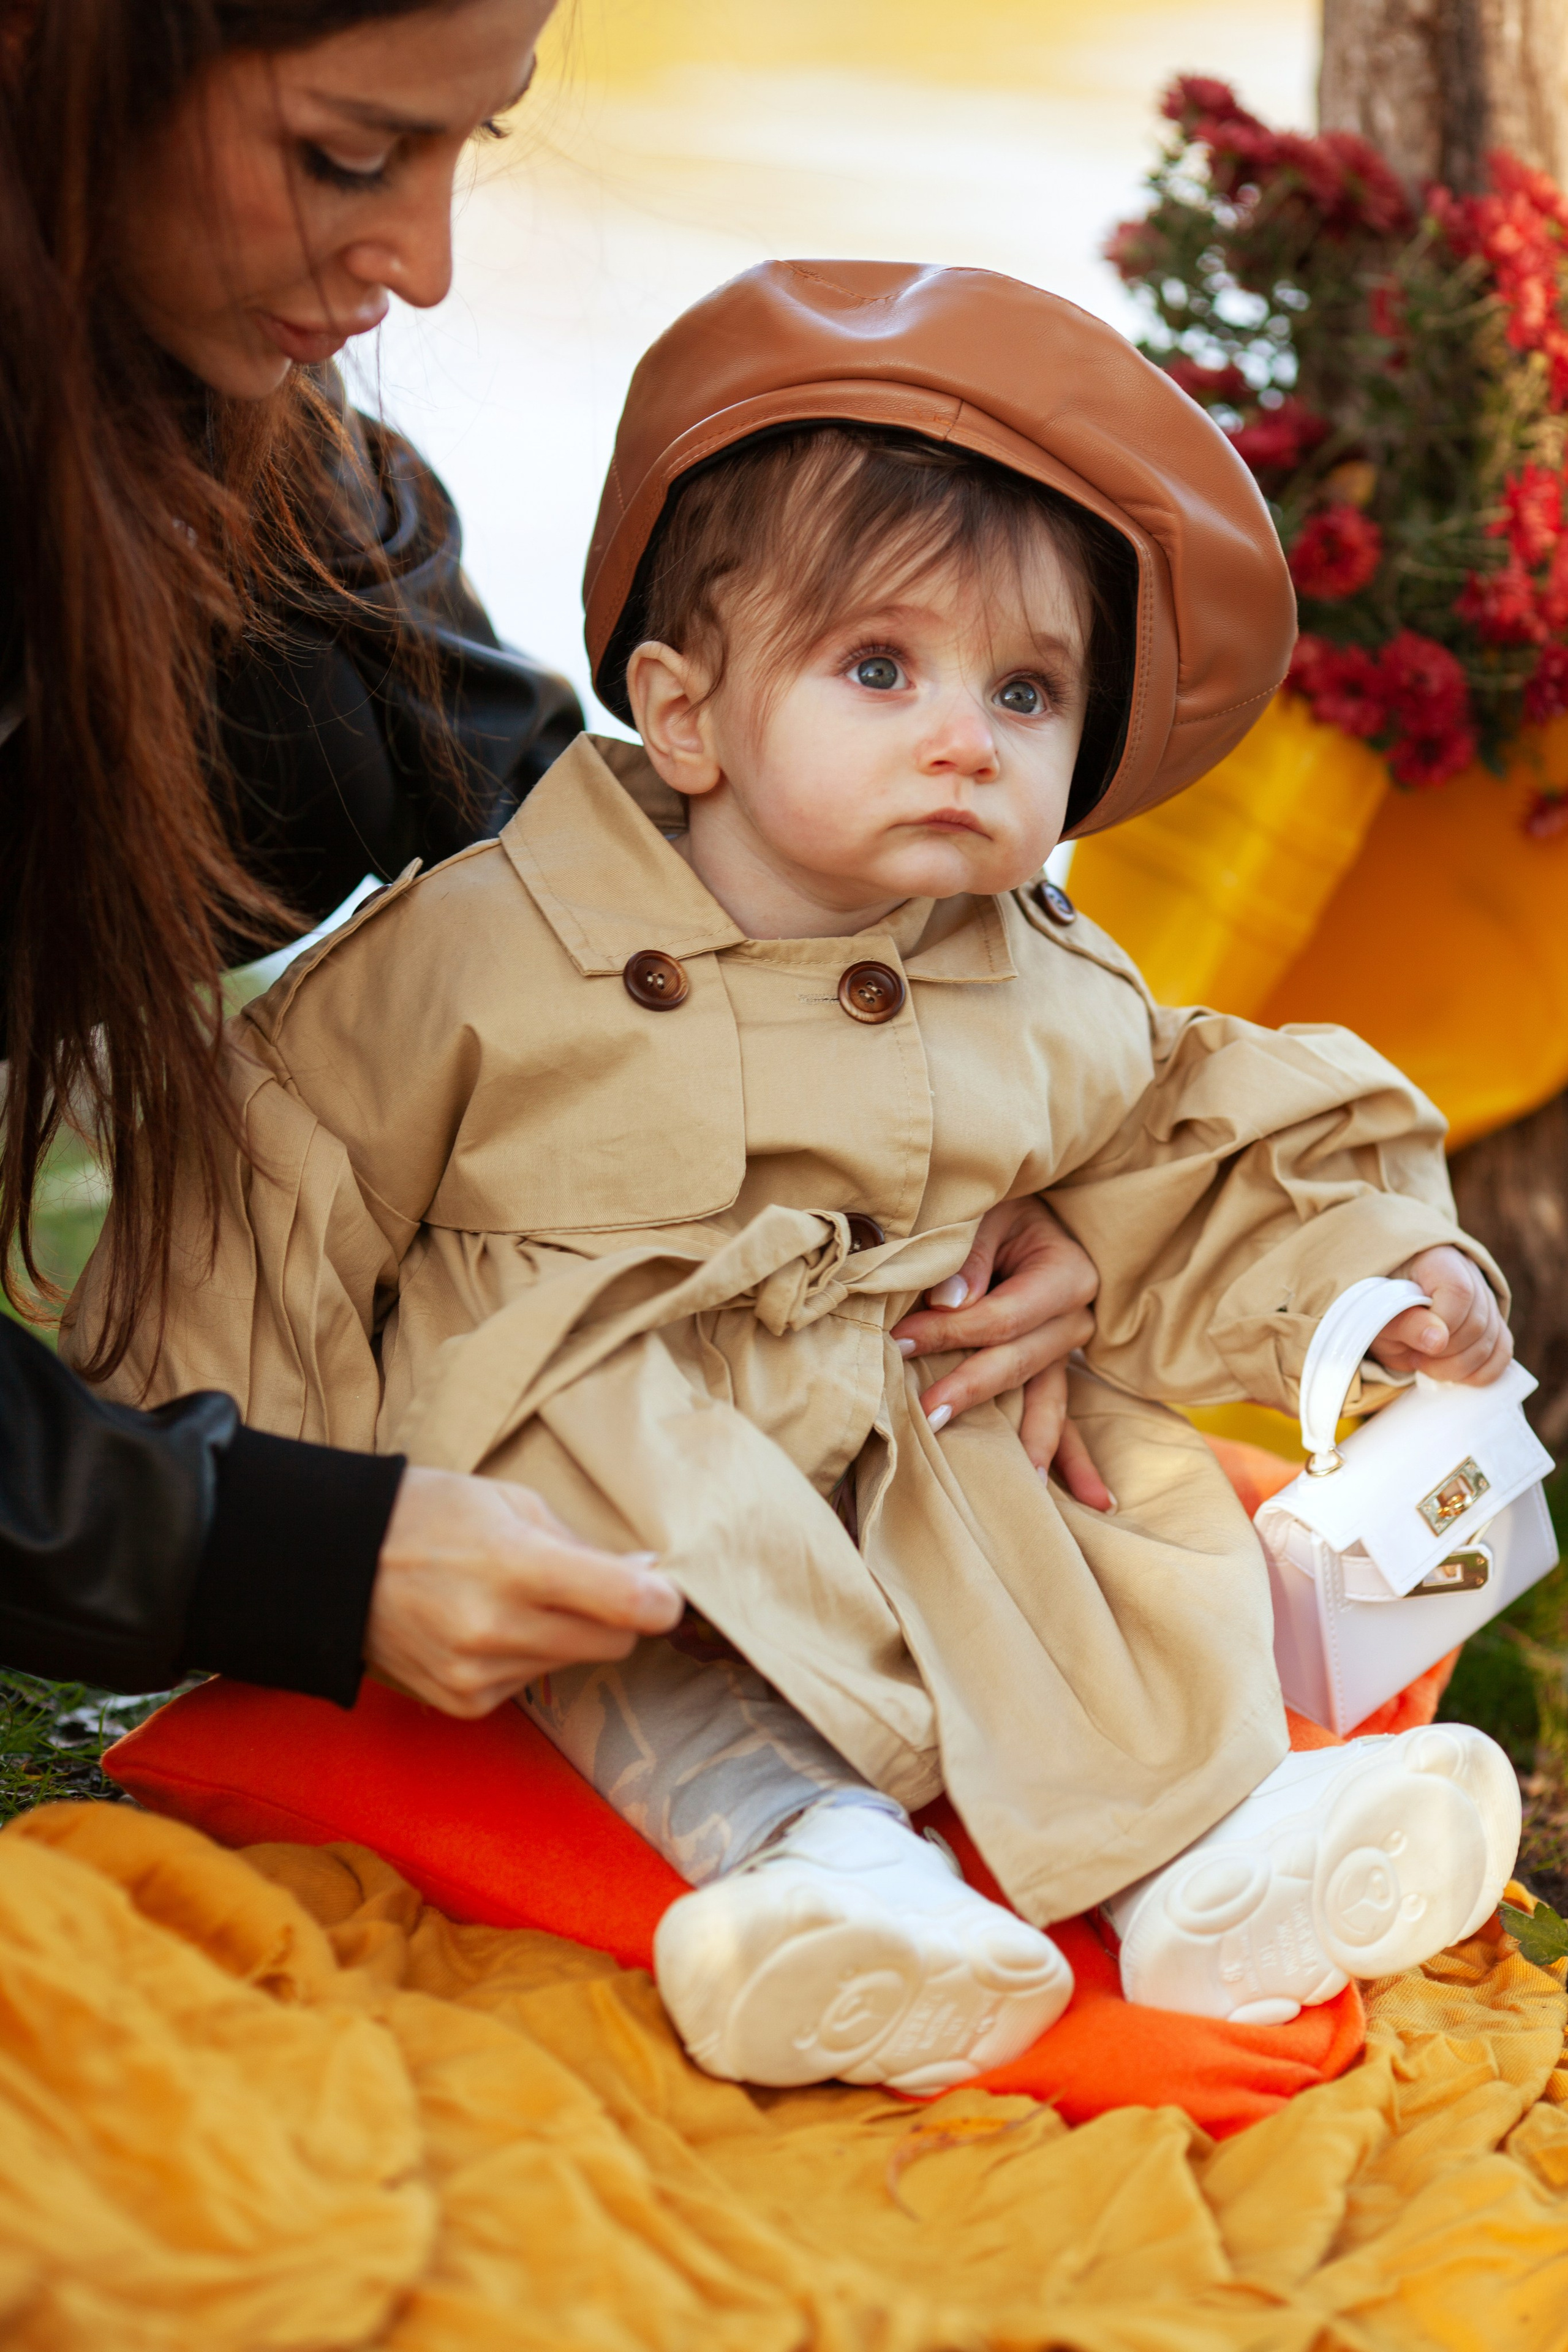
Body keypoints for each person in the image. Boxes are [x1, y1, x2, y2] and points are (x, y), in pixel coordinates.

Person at [69, 258, 1524, 2091]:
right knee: (641, 1607)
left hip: (925, 1430)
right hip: (624, 1453)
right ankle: (817, 1875)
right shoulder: (491, 945)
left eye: (1025, 691)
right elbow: (284, 1174)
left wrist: (1376, 1279)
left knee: (1109, 1537)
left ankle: (1212, 1861)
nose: (961, 736)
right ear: (686, 718)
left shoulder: (1043, 969)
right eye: (879, 668)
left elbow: (1191, 1137)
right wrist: (264, 1493)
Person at [0, 1, 1097, 1713]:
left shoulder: (254, 459)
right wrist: (266, 1545)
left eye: (472, 142)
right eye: (347, 156)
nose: (424, 265)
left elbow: (561, 821)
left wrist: (985, 1109)